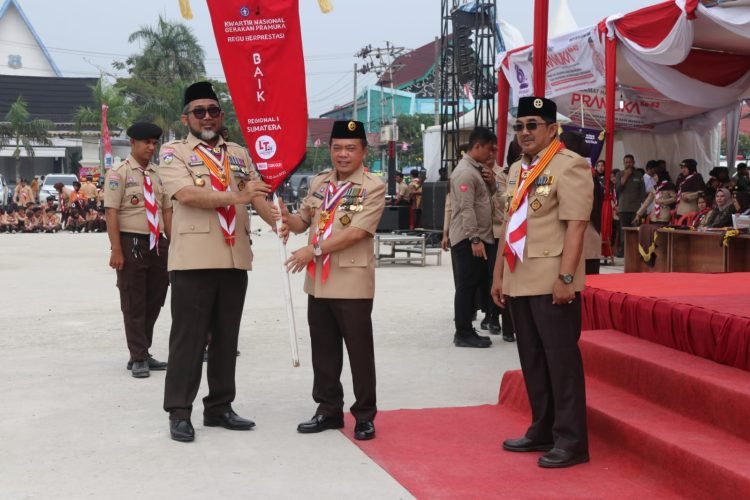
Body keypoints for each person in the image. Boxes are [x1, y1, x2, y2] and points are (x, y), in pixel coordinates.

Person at [157, 81, 278, 443]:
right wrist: (235, 194)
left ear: (221, 115)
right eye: (199, 111)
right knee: (188, 340)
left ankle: (220, 407)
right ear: (186, 118)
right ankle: (179, 411)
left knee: (227, 339)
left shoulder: (239, 153)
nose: (206, 117)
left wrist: (281, 222)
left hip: (233, 255)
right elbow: (187, 194)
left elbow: (255, 194)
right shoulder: (172, 153)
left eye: (213, 110)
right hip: (194, 259)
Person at [491, 96, 593, 469]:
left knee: (561, 362)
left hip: (552, 279)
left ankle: (572, 440)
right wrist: (499, 274)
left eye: (533, 125)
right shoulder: (518, 168)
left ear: (552, 129)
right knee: (532, 360)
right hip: (519, 277)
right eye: (519, 126)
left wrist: (567, 277)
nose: (524, 132)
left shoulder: (571, 165)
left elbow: (576, 226)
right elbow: (509, 224)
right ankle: (542, 428)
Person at [281, 120, 385, 441]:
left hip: (351, 279)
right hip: (319, 282)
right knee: (323, 349)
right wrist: (286, 218)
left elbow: (356, 232)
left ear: (364, 151)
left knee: (359, 351)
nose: (343, 154)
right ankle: (328, 409)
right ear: (329, 150)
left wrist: (312, 250)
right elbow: (304, 220)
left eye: (351, 148)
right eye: (337, 147)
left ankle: (364, 415)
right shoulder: (319, 183)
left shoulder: (372, 186)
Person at [104, 122, 172, 379]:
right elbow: (111, 212)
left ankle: (142, 349)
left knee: (155, 298)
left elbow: (166, 210)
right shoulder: (118, 173)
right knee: (134, 301)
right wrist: (116, 249)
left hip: (157, 242)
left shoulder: (158, 174)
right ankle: (138, 356)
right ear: (133, 142)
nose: (151, 148)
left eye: (155, 143)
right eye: (147, 143)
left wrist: (173, 242)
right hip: (131, 240)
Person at [449, 126, 497, 348]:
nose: (491, 154)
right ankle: (463, 333)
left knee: (473, 284)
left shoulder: (476, 169)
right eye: (489, 149)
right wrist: (475, 239)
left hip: (477, 238)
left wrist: (491, 183)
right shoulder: (465, 172)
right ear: (477, 146)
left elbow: (485, 200)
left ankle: (467, 330)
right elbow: (466, 208)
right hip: (468, 240)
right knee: (467, 286)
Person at [615, 154, 646, 256]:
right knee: (623, 231)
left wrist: (643, 209)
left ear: (633, 163)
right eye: (626, 162)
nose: (628, 164)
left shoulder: (639, 175)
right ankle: (624, 251)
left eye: (630, 162)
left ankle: (634, 252)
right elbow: (618, 188)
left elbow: (642, 192)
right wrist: (626, 175)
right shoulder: (620, 174)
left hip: (636, 209)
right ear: (624, 163)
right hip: (623, 207)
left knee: (635, 230)